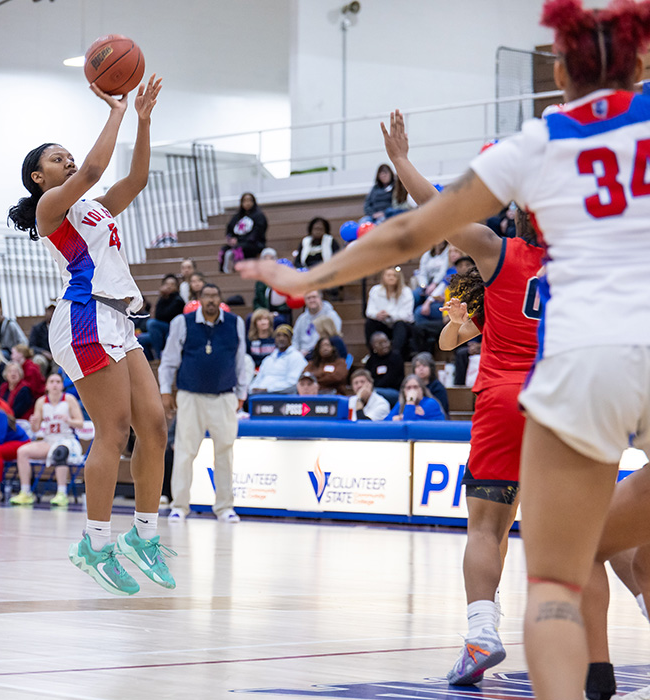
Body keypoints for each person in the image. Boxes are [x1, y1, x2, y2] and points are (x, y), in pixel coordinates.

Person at [237, 2, 650, 692]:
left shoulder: (538, 145)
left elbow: (409, 234)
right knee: (616, 541)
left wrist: (307, 276)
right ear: (637, 63)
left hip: (575, 368)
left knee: (553, 576)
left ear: (558, 69)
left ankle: (538, 641)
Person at [382, 105, 546, 683]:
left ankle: (481, 635)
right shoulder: (587, 264)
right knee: (595, 528)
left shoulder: (498, 251)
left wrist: (401, 159)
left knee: (486, 527)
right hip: (564, 397)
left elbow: (438, 209)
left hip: (504, 397)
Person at [7, 73, 175, 596]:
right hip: (84, 316)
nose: (71, 161)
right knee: (114, 429)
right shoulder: (50, 208)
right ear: (38, 176)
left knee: (155, 427)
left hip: (118, 319)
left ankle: (144, 536)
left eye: (68, 156)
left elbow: (136, 179)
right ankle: (95, 542)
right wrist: (117, 111)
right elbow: (101, 166)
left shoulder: (93, 207)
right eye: (58, 158)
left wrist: (144, 121)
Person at [158, 283, 248, 523]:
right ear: (199, 299)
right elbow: (168, 360)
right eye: (206, 296)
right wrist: (165, 391)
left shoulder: (235, 323)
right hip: (190, 396)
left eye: (215, 295)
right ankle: (179, 505)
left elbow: (241, 360)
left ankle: (225, 507)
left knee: (225, 453)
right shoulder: (182, 322)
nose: (211, 300)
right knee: (185, 452)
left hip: (224, 396)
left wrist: (242, 392)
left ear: (220, 299)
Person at [8, 373, 85, 507]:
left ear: (62, 385)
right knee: (22, 452)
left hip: (67, 440)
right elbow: (36, 429)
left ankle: (62, 494)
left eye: (57, 382)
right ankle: (25, 492)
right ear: (47, 386)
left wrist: (69, 420)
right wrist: (33, 422)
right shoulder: (41, 402)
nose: (55, 384)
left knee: (60, 452)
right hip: (49, 440)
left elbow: (80, 423)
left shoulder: (69, 399)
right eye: (52, 381)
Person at [365, 267, 415, 357]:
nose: (391, 278)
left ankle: (395, 355)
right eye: (388, 275)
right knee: (370, 323)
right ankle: (373, 353)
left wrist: (391, 315)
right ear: (383, 277)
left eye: (394, 276)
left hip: (400, 325)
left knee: (400, 325)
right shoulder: (375, 290)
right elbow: (369, 311)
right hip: (382, 323)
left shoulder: (406, 291)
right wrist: (377, 315)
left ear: (399, 278)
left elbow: (408, 315)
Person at [249, 324, 307, 395]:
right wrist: (252, 388)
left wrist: (268, 389)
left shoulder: (296, 357)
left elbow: (293, 383)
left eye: (285, 336)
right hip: (261, 395)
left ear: (290, 338)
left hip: (281, 396)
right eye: (278, 336)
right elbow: (259, 378)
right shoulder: (269, 359)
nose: (281, 338)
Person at [138, 274, 185, 360]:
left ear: (177, 287)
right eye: (167, 284)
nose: (169, 287)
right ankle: (152, 360)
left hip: (172, 329)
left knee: (152, 323)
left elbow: (163, 316)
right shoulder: (163, 298)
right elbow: (158, 314)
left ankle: (158, 355)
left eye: (172, 284)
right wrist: (163, 297)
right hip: (160, 332)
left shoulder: (178, 300)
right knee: (140, 339)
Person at [219, 192, 267, 272]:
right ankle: (224, 272)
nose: (247, 203)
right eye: (244, 201)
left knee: (242, 248)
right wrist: (231, 239)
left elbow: (257, 232)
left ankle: (241, 269)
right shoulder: (237, 217)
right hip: (238, 243)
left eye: (249, 201)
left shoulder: (259, 216)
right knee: (224, 249)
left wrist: (241, 240)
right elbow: (230, 230)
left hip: (254, 243)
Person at [292, 290, 342, 358]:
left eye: (314, 297)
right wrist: (297, 353)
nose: (312, 300)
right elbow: (295, 340)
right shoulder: (302, 319)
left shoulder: (331, 315)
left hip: (322, 353)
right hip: (302, 354)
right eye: (308, 298)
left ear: (320, 298)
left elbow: (334, 336)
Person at [251, 248, 292, 328]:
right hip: (263, 313)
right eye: (265, 258)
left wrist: (275, 312)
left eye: (271, 258)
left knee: (278, 320)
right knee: (250, 318)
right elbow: (257, 301)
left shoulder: (282, 277)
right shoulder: (260, 281)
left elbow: (286, 301)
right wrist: (263, 313)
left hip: (279, 312)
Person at [364, 331, 404, 403]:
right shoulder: (371, 360)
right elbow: (367, 376)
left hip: (394, 391)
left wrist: (373, 387)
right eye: (380, 343)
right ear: (373, 346)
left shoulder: (396, 357)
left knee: (372, 393)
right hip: (376, 389)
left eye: (386, 342)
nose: (384, 345)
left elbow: (391, 379)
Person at [411, 351, 449, 417]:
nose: (421, 369)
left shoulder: (438, 388)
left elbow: (441, 411)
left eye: (424, 365)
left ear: (431, 368)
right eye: (417, 366)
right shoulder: (410, 387)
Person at [28, 303, 56, 369]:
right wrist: (43, 352)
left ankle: (56, 379)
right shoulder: (37, 328)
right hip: (42, 355)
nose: (51, 313)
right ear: (46, 312)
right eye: (50, 311)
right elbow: (31, 346)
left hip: (58, 355)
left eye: (54, 310)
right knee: (38, 360)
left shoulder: (62, 328)